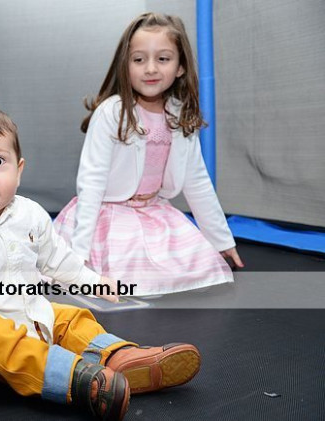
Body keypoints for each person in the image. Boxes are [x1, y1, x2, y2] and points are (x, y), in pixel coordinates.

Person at [0, 103, 201, 421]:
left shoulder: (30, 214)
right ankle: (77, 380)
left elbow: (58, 260)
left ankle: (119, 357)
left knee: (70, 318)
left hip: (27, 310)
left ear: (18, 169)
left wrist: (93, 281)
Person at [54, 12, 244, 297]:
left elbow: (196, 181)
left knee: (201, 267)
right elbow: (91, 183)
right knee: (126, 276)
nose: (151, 69)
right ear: (125, 65)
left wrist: (221, 241)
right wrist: (78, 253)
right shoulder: (112, 113)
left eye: (163, 59)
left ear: (180, 67)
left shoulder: (179, 114)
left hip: (154, 211)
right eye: (139, 59)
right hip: (109, 214)